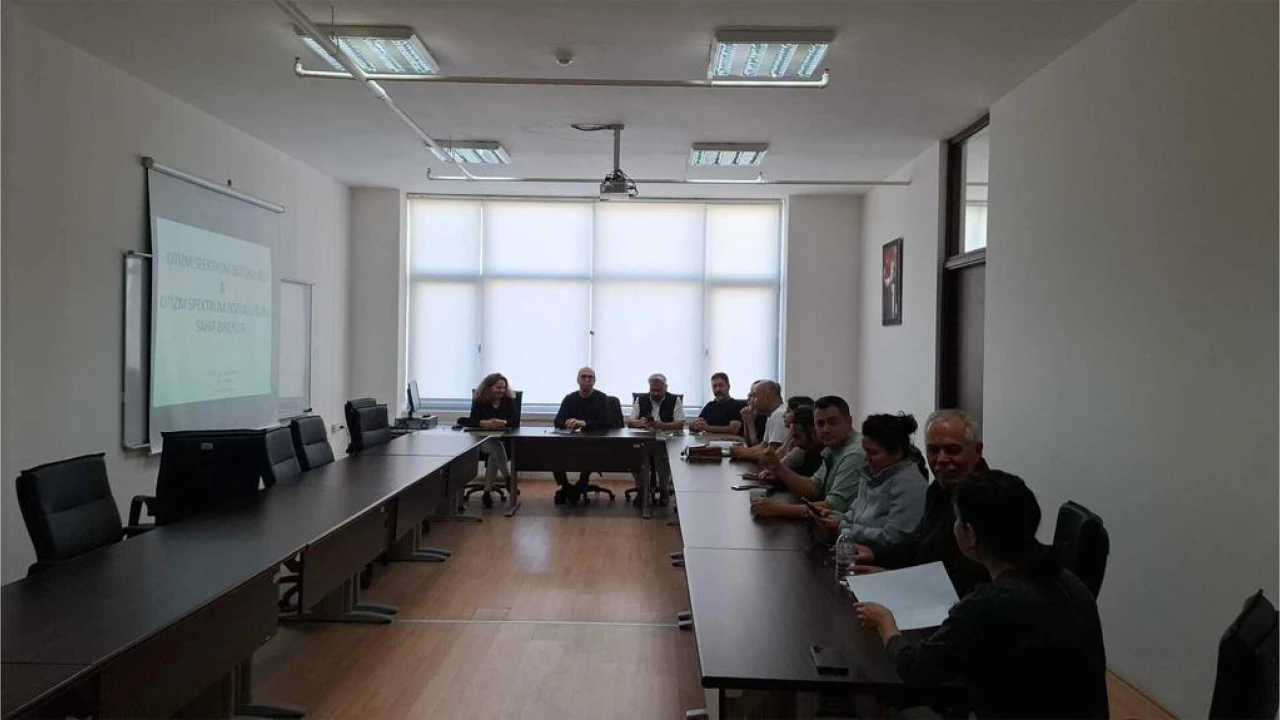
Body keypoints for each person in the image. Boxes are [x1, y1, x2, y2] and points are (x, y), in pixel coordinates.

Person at [854, 470, 1109, 718]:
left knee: (872, 699)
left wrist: (885, 623)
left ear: (970, 534)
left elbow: (914, 669)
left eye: (956, 521)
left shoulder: (990, 602)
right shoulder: (1069, 580)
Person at [850, 409, 991, 596]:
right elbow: (921, 546)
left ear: (978, 451)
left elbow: (971, 577)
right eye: (933, 450)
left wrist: (897, 579)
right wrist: (875, 555)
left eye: (953, 450)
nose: (941, 459)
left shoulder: (991, 498)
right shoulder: (938, 490)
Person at [813, 413, 927, 549]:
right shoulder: (872, 473)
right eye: (865, 451)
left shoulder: (909, 483)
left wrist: (842, 527)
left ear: (897, 452)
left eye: (873, 453)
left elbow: (894, 537)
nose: (866, 458)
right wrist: (833, 516)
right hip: (857, 549)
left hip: (883, 558)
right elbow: (855, 513)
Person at [751, 395, 863, 519]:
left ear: (849, 422)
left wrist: (776, 509)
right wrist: (778, 468)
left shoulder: (854, 454)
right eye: (820, 423)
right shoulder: (833, 447)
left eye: (832, 422)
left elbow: (832, 507)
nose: (825, 429)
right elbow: (813, 488)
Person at [552, 367, 612, 505]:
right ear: (578, 380)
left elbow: (606, 422)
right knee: (553, 453)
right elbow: (557, 421)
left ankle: (581, 484)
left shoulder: (601, 398)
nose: (586, 379)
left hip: (594, 442)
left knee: (590, 453)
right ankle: (566, 486)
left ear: (594, 381)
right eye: (583, 377)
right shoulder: (569, 398)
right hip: (571, 442)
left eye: (590, 377)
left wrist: (584, 423)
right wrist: (567, 422)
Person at [457, 372, 517, 506]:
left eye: (504, 388)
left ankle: (487, 492)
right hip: (480, 441)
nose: (502, 391)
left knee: (494, 453)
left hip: (504, 442)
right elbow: (468, 421)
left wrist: (504, 423)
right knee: (495, 447)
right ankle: (508, 478)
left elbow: (515, 422)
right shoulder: (480, 401)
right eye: (498, 388)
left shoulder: (508, 401)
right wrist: (482, 423)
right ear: (489, 388)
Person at [730, 380, 787, 463]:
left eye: (755, 396)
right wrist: (741, 450)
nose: (752, 401)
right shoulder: (772, 414)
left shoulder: (779, 415)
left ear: (767, 398)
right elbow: (764, 445)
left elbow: (771, 454)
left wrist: (743, 453)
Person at [776, 395, 815, 470]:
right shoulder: (793, 439)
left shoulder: (801, 449)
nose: (783, 415)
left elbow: (776, 468)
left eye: (788, 411)